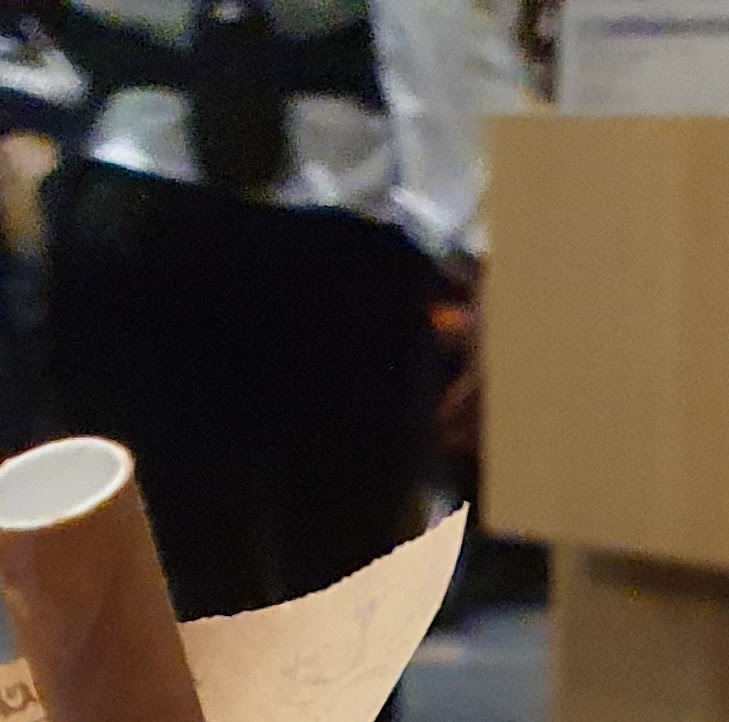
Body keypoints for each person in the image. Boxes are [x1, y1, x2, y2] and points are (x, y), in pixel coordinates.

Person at [35, 0, 527, 631]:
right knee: (338, 604)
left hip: (134, 198)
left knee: (170, 596)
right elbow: (440, 34)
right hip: (323, 224)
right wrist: (489, 250)